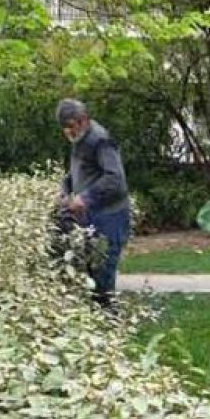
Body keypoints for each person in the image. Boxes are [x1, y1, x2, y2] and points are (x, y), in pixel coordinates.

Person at [56, 99, 131, 307]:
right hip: (89, 216)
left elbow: (115, 179)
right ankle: (97, 316)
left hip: (109, 218)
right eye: (64, 128)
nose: (67, 132)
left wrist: (86, 198)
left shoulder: (100, 141)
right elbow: (77, 171)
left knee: (103, 274)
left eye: (70, 126)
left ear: (82, 120)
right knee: (90, 272)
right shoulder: (79, 139)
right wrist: (65, 190)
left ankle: (109, 317)